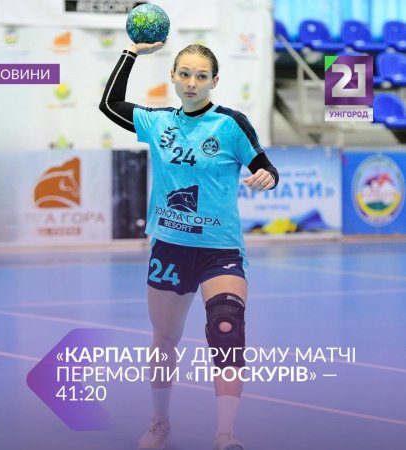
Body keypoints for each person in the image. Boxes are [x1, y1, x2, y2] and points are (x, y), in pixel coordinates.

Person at [99, 40, 279, 450]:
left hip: (220, 249)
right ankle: (160, 423)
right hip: (170, 247)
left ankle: (225, 435)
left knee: (226, 326)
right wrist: (131, 53)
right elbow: (109, 104)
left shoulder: (230, 124)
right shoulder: (157, 122)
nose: (192, 82)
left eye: (201, 76)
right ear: (173, 77)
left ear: (215, 81)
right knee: (165, 339)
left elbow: (265, 166)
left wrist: (268, 176)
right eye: (185, 74)